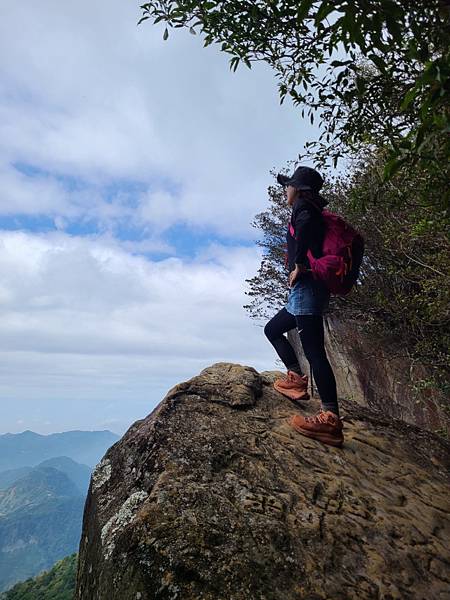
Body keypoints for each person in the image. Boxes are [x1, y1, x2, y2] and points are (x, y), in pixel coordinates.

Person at [264, 165, 344, 448]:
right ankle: (296, 379)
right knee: (273, 329)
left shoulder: (303, 208)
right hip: (306, 290)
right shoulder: (309, 209)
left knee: (314, 351)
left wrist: (299, 266)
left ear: (299, 189)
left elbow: (305, 228)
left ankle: (331, 419)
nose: (285, 190)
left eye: (288, 186)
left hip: (307, 287)